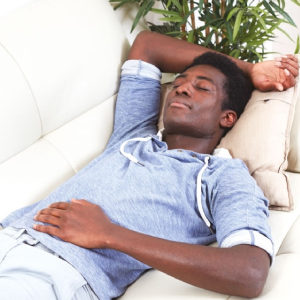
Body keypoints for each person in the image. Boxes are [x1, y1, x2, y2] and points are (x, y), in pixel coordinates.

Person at [0, 31, 299, 300]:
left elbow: (249, 272)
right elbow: (147, 46)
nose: (181, 89)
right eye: (179, 84)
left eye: (202, 88)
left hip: (52, 273)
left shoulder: (222, 176)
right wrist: (250, 68)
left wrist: (109, 234)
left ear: (227, 118)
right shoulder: (133, 136)